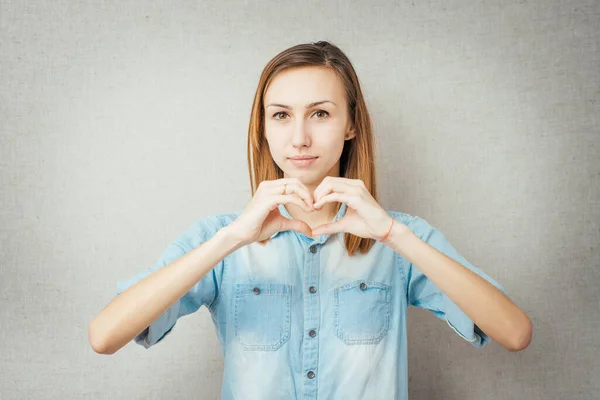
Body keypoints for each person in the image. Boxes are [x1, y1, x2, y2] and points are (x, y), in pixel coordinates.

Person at [88, 41, 532, 399]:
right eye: (281, 115)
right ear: (263, 128)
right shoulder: (219, 239)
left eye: (320, 113)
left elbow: (515, 333)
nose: (299, 137)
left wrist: (393, 235)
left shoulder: (400, 238)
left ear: (351, 124)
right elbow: (105, 336)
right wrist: (230, 240)